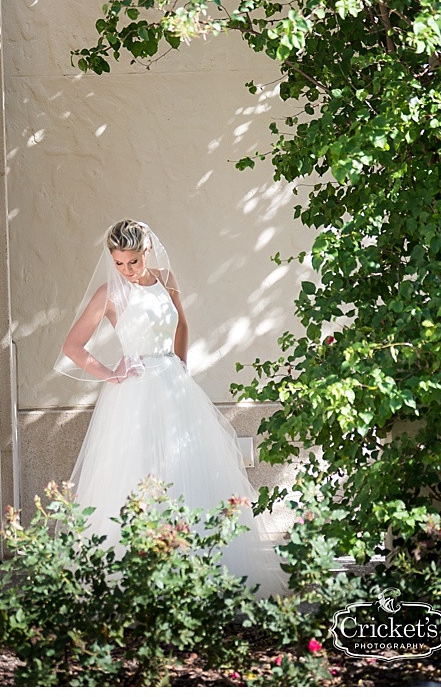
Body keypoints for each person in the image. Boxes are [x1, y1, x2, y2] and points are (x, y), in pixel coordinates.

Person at [57, 218, 286, 598]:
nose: (126, 270)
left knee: (187, 467)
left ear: (146, 250)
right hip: (133, 391)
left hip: (173, 385)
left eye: (132, 261)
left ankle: (196, 570)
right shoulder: (109, 293)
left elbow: (182, 322)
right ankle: (137, 576)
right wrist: (112, 374)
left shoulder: (165, 278)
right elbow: (73, 346)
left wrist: (181, 364)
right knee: (138, 471)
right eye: (119, 263)